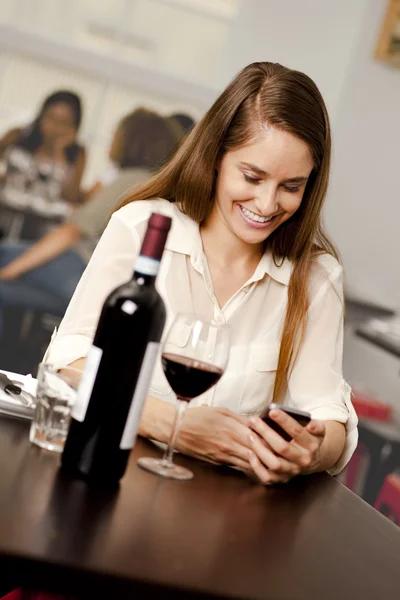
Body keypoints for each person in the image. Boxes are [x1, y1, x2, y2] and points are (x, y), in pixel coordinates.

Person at [46, 61, 358, 485]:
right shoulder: (141, 227)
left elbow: (331, 420)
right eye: (252, 176)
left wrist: (309, 453)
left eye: (291, 186)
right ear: (215, 158)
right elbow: (67, 359)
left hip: (229, 520)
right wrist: (166, 423)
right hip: (109, 476)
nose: (267, 205)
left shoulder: (317, 278)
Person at [0, 108, 182, 337]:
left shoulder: (132, 178)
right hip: (102, 288)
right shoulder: (159, 185)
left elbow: (71, 232)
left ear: (133, 141)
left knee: (3, 253)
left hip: (80, 269)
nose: (111, 140)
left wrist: (10, 271)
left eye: (116, 133)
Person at [0, 90, 86, 207]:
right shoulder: (17, 136)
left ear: (74, 127)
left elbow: (70, 198)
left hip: (44, 221)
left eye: (63, 122)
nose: (55, 127)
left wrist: (60, 154)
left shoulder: (77, 154)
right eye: (50, 117)